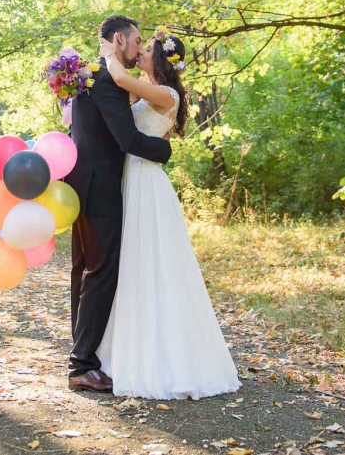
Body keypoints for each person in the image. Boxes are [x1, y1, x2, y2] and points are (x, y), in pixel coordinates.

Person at [95, 25, 241, 400]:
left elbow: (118, 77)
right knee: (136, 264)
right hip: (135, 176)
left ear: (160, 60)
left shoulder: (164, 93)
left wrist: (109, 51)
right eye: (139, 45)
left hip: (147, 182)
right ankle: (134, 348)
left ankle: (164, 359)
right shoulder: (151, 90)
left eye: (148, 48)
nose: (141, 50)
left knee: (152, 262)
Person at [62, 15, 171, 393]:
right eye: (137, 40)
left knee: (84, 271)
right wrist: (165, 150)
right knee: (101, 273)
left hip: (79, 186)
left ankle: (83, 355)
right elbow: (127, 139)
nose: (140, 48)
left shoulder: (85, 76)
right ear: (120, 39)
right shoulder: (106, 80)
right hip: (102, 188)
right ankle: (82, 366)